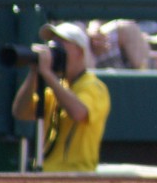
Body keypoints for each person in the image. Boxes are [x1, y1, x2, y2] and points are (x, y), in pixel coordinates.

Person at [12, 22, 109, 173]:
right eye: (52, 45)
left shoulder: (94, 86)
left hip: (77, 175)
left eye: (61, 46)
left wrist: (48, 75)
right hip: (46, 172)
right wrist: (34, 73)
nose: (55, 51)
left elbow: (79, 113)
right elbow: (20, 112)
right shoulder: (57, 88)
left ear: (80, 51)